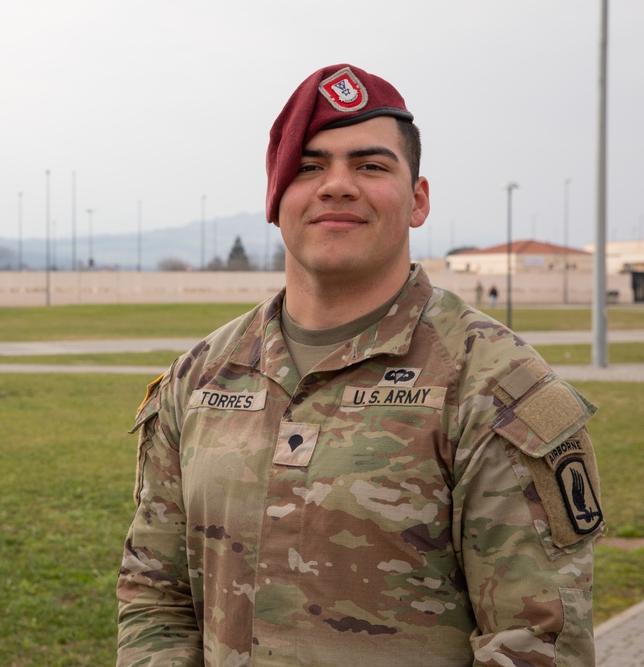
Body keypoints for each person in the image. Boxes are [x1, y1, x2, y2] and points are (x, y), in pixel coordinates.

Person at [116, 64, 603, 666]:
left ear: (419, 200)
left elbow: (538, 643)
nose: (336, 186)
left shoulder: (494, 383)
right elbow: (156, 597)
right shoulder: (200, 376)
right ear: (276, 198)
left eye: (370, 166)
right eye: (309, 167)